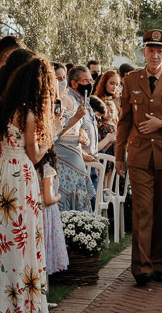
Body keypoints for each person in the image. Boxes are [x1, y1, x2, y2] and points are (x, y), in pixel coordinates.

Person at [116, 30, 162, 287]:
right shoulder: (131, 79)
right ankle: (142, 268)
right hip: (138, 155)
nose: (154, 54)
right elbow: (124, 120)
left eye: (160, 50)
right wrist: (119, 156)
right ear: (144, 51)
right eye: (150, 49)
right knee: (142, 211)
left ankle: (160, 264)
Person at [0, 57, 55, 313]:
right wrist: (52, 134)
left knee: (3, 236)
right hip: (21, 177)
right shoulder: (27, 114)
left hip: (1, 175)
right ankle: (22, 302)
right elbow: (36, 156)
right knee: (22, 238)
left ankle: (1, 299)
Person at [53, 62, 96, 212]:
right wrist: (76, 118)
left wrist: (83, 136)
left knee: (79, 204)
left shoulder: (77, 100)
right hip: (62, 161)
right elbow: (55, 133)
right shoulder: (60, 102)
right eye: (58, 78)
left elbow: (81, 127)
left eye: (63, 77)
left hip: (76, 159)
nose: (61, 82)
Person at [37, 147, 68, 276]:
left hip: (36, 210)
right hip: (47, 214)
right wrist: (59, 196)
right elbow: (48, 199)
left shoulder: (32, 169)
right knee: (47, 245)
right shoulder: (47, 170)